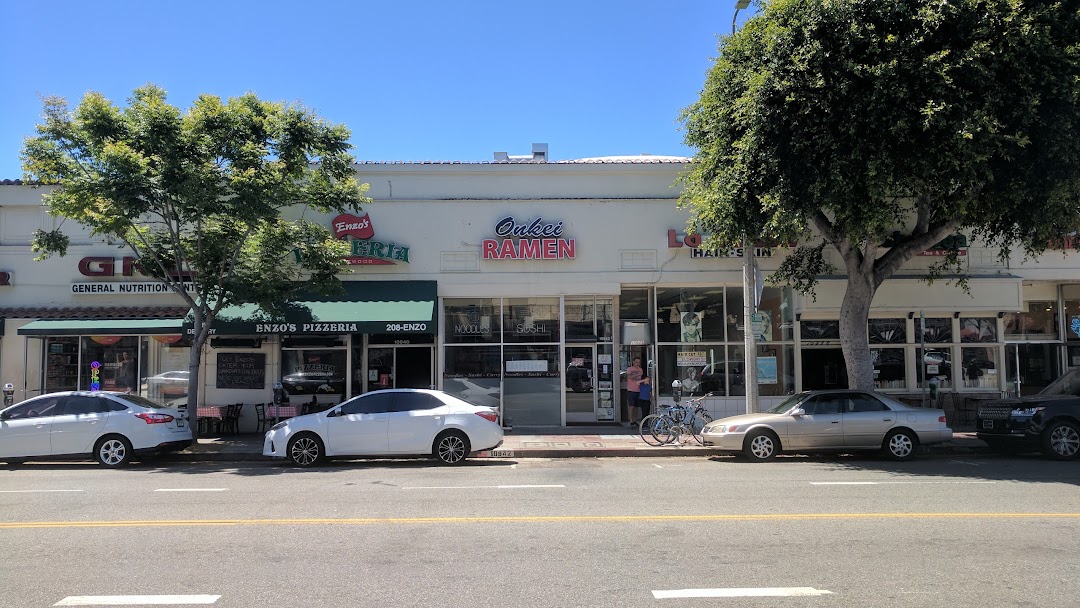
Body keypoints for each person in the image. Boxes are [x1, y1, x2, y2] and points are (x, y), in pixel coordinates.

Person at [626, 357, 643, 425]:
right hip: (631, 390)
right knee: (631, 406)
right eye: (636, 362)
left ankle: (635, 420)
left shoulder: (640, 369)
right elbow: (628, 377)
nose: (637, 364)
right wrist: (637, 374)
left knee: (636, 406)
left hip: (638, 390)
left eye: (638, 362)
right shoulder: (630, 369)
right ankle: (631, 420)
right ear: (633, 362)